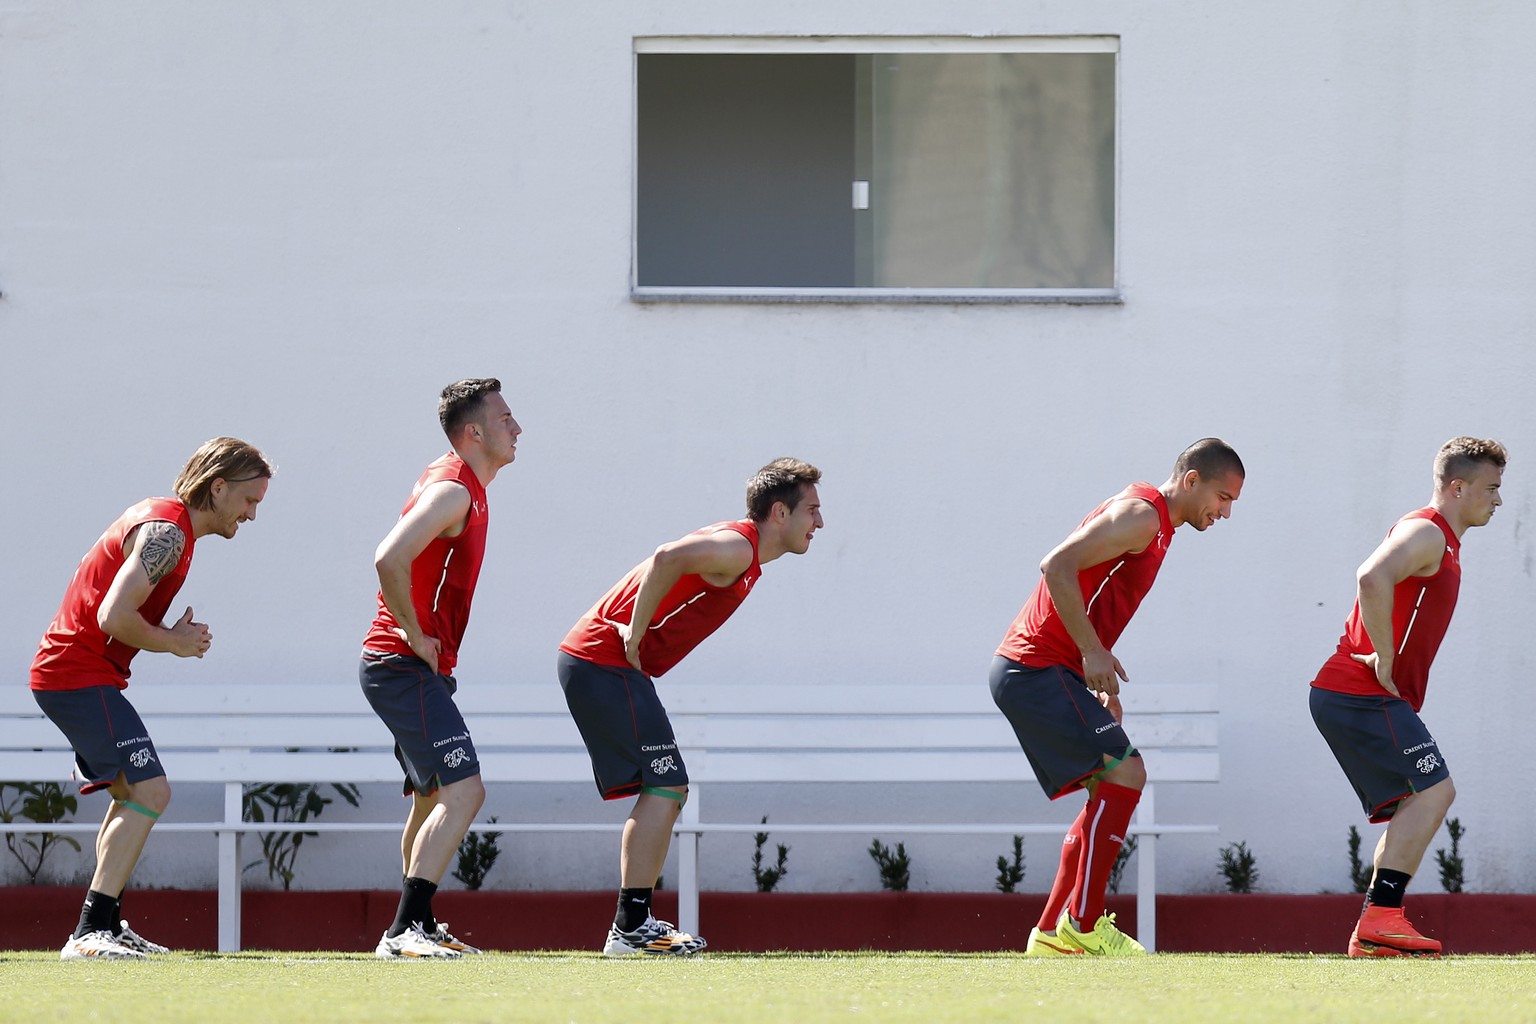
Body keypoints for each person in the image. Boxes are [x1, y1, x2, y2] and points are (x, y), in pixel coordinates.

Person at [558, 458, 823, 956]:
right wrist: (634, 633)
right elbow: (666, 557)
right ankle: (630, 929)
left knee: (666, 786)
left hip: (603, 665)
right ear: (780, 513)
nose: (820, 523)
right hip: (602, 662)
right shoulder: (738, 548)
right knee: (666, 785)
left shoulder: (744, 553)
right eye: (812, 510)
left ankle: (631, 926)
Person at [991, 438, 1245, 957]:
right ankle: (1082, 926)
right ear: (1191, 480)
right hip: (1034, 668)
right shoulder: (1143, 517)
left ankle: (1051, 935)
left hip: (1048, 671)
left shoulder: (1156, 522)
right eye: (1223, 497)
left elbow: (1088, 591)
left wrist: (1092, 669)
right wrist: (1091, 652)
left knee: (1109, 782)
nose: (1225, 513)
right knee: (1127, 772)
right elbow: (1056, 566)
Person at [29, 437, 273, 960]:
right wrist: (174, 642)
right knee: (151, 790)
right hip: (75, 674)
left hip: (77, 674)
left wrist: (166, 635)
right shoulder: (169, 532)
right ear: (218, 487)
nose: (252, 514)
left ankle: (103, 926)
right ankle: (89, 932)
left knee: (131, 792)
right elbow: (112, 616)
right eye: (249, 500)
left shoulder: (168, 525)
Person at [1310, 436, 1506, 958]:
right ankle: (1381, 918)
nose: (1498, 499)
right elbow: (1370, 577)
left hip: (1355, 695)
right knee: (1435, 792)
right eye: (1491, 488)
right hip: (1357, 691)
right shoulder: (1428, 532)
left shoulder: (1440, 539)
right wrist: (1383, 654)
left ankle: (1374, 927)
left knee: (1418, 800)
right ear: (1457, 487)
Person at [360, 378, 521, 959]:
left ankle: (418, 926)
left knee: (431, 797)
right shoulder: (454, 490)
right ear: (473, 431)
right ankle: (404, 931)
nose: (517, 428)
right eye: (505, 419)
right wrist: (410, 631)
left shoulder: (460, 481)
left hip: (409, 667)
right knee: (465, 790)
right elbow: (388, 557)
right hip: (400, 664)